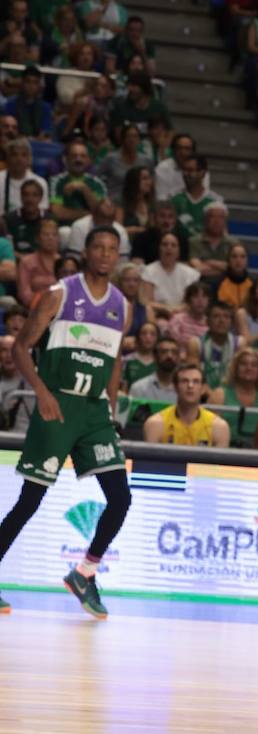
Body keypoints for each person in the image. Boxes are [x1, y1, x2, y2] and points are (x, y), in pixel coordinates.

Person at [0, 227, 131, 618]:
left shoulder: (122, 304)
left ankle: (85, 572)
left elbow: (116, 357)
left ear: (118, 255)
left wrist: (111, 401)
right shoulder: (60, 293)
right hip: (56, 405)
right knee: (30, 501)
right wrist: (40, 391)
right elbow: (21, 347)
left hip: (93, 413)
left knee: (121, 498)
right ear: (86, 251)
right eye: (99, 248)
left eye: (113, 249)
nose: (106, 255)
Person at [143, 363, 230, 447]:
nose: (190, 386)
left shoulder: (219, 427)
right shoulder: (155, 424)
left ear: (203, 388)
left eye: (196, 381)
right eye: (185, 381)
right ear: (175, 387)